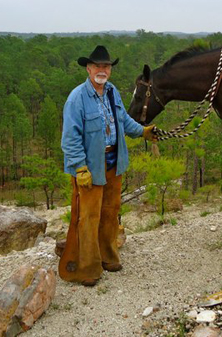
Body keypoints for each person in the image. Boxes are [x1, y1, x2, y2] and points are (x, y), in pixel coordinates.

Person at [59, 45, 156, 286]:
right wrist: (80, 167)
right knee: (89, 217)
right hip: (90, 167)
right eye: (98, 66)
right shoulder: (77, 98)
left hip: (114, 161)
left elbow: (122, 120)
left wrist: (142, 132)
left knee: (110, 212)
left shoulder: (112, 92)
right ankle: (88, 268)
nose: (102, 70)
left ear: (110, 70)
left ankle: (109, 257)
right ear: (89, 69)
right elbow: (70, 137)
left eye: (107, 66)